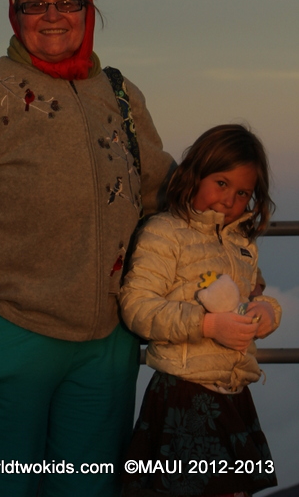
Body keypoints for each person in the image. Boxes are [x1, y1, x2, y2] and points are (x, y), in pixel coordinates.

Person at [0, 0, 174, 496]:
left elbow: (161, 193)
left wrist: (226, 231)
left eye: (67, 2)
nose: (53, 15)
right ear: (14, 16)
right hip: (12, 332)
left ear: (89, 10)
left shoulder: (120, 93)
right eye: (34, 5)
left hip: (107, 341)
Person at [119, 123, 281, 497]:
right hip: (183, 393)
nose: (229, 200)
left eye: (242, 193)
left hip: (232, 393)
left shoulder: (240, 243)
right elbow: (138, 307)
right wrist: (206, 325)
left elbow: (250, 298)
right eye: (221, 183)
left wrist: (267, 312)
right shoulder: (165, 232)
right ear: (194, 174)